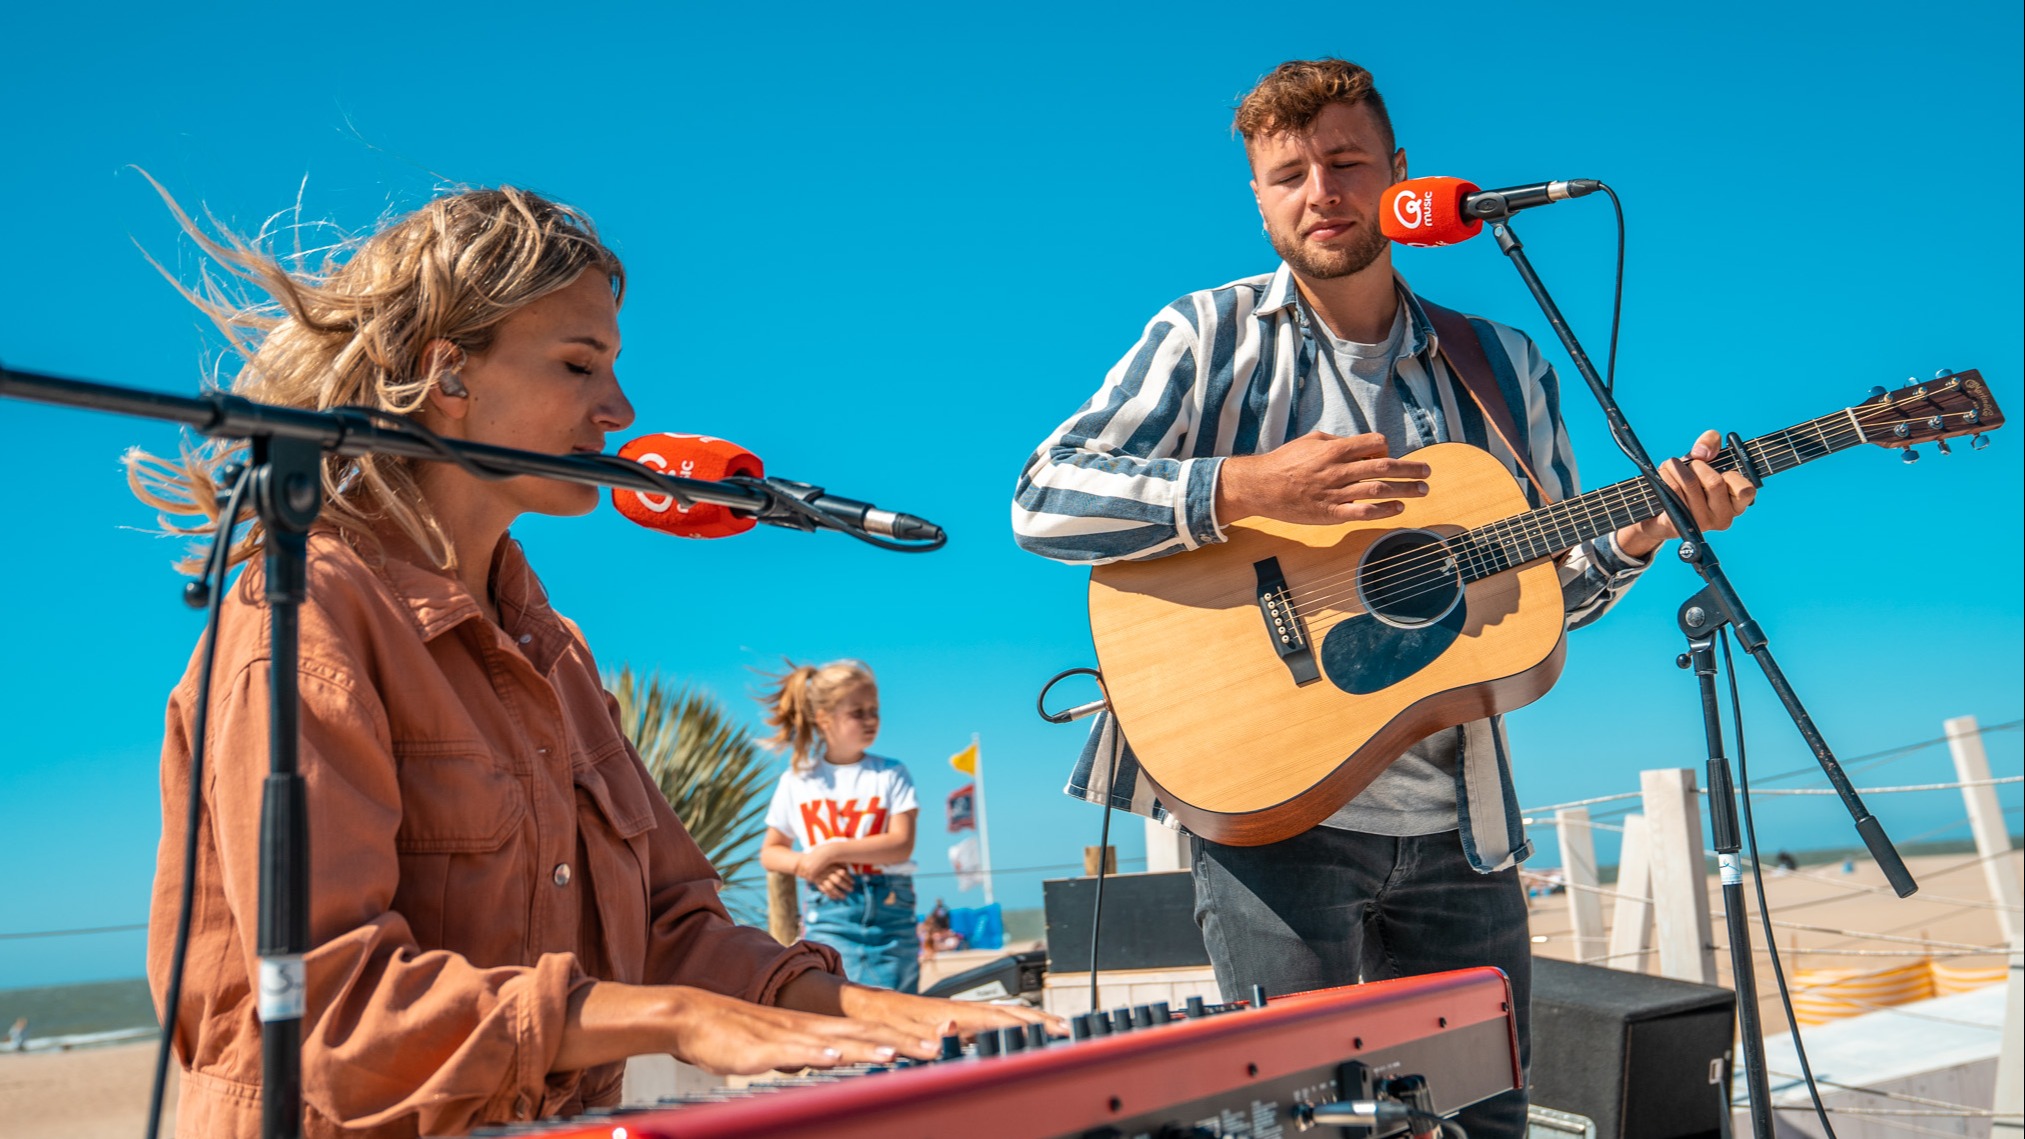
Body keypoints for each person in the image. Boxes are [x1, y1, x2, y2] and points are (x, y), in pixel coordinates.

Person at [131, 183, 1048, 1139]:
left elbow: (668, 924)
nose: (619, 408)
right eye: (579, 364)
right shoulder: (304, 615)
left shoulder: (552, 648)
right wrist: (681, 1019)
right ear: (449, 374)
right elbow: (328, 1008)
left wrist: (867, 1010)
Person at [1011, 59, 1756, 1137]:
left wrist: (1636, 536)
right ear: (1260, 198)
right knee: (1306, 1125)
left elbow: (1538, 604)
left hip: (1466, 831)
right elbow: (1042, 498)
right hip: (1274, 819)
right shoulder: (1204, 337)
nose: (1322, 189)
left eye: (1347, 161)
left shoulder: (1503, 366)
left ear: (1401, 177)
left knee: (1491, 1121)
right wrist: (1247, 485)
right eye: (1290, 173)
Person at [757, 660, 923, 993]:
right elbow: (770, 852)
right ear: (824, 719)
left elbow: (901, 843)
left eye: (874, 710)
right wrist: (807, 865)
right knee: (837, 1005)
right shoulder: (797, 781)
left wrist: (830, 852)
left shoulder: (891, 773)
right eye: (857, 712)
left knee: (896, 1008)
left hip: (890, 915)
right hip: (830, 916)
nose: (870, 720)